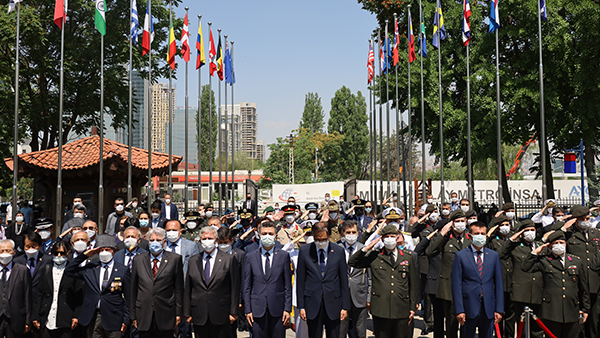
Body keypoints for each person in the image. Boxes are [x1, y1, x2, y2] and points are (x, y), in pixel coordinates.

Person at [348, 224, 418, 338]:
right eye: (387, 236)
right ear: (382, 239)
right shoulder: (375, 256)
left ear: (397, 237)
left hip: (401, 308)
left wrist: (412, 308)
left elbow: (413, 284)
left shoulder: (407, 257)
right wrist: (366, 248)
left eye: (392, 236)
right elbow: (352, 262)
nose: (390, 239)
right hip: (381, 309)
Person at [522, 231, 590, 338]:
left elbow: (583, 287)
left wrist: (585, 308)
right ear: (549, 246)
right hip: (552, 310)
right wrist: (535, 252)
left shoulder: (576, 261)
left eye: (561, 242)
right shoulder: (544, 260)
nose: (559, 245)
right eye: (555, 243)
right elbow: (526, 267)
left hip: (571, 309)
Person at [65, 235, 131, 338]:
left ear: (114, 251)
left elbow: (128, 297)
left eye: (107, 250)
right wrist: (85, 256)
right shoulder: (91, 268)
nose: (104, 252)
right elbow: (69, 271)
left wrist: (126, 320)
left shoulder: (122, 270)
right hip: (93, 315)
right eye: (101, 250)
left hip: (114, 316)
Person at [183, 226, 240, 338]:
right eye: (204, 239)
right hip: (199, 313)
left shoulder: (228, 259)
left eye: (210, 238)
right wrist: (187, 312)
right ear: (200, 241)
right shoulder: (193, 260)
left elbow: (235, 286)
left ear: (216, 240)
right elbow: (189, 287)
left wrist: (234, 311)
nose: (207, 241)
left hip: (221, 312)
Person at [451, 221, 504, 338]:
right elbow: (456, 284)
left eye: (482, 233)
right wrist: (459, 310)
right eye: (476, 233)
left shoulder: (493, 256)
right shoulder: (461, 256)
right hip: (468, 307)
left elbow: (499, 283)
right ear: (469, 236)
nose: (480, 236)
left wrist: (499, 309)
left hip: (488, 307)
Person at [296, 225, 350, 338]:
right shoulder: (305, 251)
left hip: (333, 303)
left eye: (324, 239)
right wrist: (301, 306)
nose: (321, 242)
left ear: (329, 236)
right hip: (312, 303)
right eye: (317, 239)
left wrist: (345, 307)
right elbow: (300, 280)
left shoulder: (338, 251)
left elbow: (343, 281)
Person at [130, 228, 184, 338]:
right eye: (152, 240)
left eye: (158, 240)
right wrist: (133, 314)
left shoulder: (175, 259)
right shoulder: (138, 260)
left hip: (166, 313)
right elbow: (133, 289)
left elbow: (178, 288)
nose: (155, 243)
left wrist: (178, 313)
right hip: (144, 313)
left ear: (164, 242)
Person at [556, 205, 600, 338]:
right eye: (582, 219)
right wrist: (564, 227)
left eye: (587, 218)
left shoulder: (596, 234)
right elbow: (551, 236)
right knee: (577, 322)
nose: (586, 221)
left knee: (594, 320)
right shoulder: (568, 235)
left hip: (594, 282)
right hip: (576, 283)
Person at [425, 210, 471, 338]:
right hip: (449, 288)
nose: (460, 224)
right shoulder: (445, 239)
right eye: (457, 221)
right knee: (451, 324)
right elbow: (429, 251)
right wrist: (442, 233)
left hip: (468, 286)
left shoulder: (470, 238)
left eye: (463, 221)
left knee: (467, 324)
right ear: (452, 223)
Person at [243, 221, 292, 338]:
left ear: (275, 237)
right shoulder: (250, 256)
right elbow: (247, 286)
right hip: (257, 309)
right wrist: (248, 309)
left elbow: (287, 285)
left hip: (278, 309)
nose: (267, 236)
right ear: (259, 236)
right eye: (264, 233)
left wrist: (287, 309)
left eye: (270, 234)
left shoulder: (283, 256)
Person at [499, 220, 544, 338]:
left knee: (538, 327)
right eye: (526, 231)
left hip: (538, 290)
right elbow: (501, 254)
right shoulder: (516, 247)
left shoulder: (540, 246)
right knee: (522, 326)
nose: (530, 233)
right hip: (521, 291)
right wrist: (513, 238)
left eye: (532, 230)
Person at [32, 241, 82, 338]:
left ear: (68, 253)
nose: (59, 256)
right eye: (56, 253)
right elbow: (39, 294)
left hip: (65, 317)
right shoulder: (46, 269)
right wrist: (35, 316)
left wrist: (76, 315)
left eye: (62, 253)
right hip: (47, 316)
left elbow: (78, 295)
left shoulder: (73, 270)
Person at [338, 221, 370, 338]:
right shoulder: (337, 248)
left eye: (353, 232)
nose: (351, 235)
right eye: (348, 232)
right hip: (341, 297)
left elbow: (370, 276)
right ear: (343, 233)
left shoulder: (365, 250)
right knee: (341, 330)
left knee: (359, 331)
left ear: (358, 233)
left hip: (360, 295)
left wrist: (369, 297)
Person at [485, 215, 514, 338]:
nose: (505, 227)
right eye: (502, 225)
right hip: (498, 283)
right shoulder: (493, 241)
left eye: (507, 225)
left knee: (511, 316)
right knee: (498, 314)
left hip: (511, 282)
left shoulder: (515, 240)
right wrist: (489, 233)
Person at [0, 239, 32, 338]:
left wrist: (28, 320)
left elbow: (27, 296)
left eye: (8, 250)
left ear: (14, 252)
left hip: (16, 318)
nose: (5, 253)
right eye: (2, 251)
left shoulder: (22, 270)